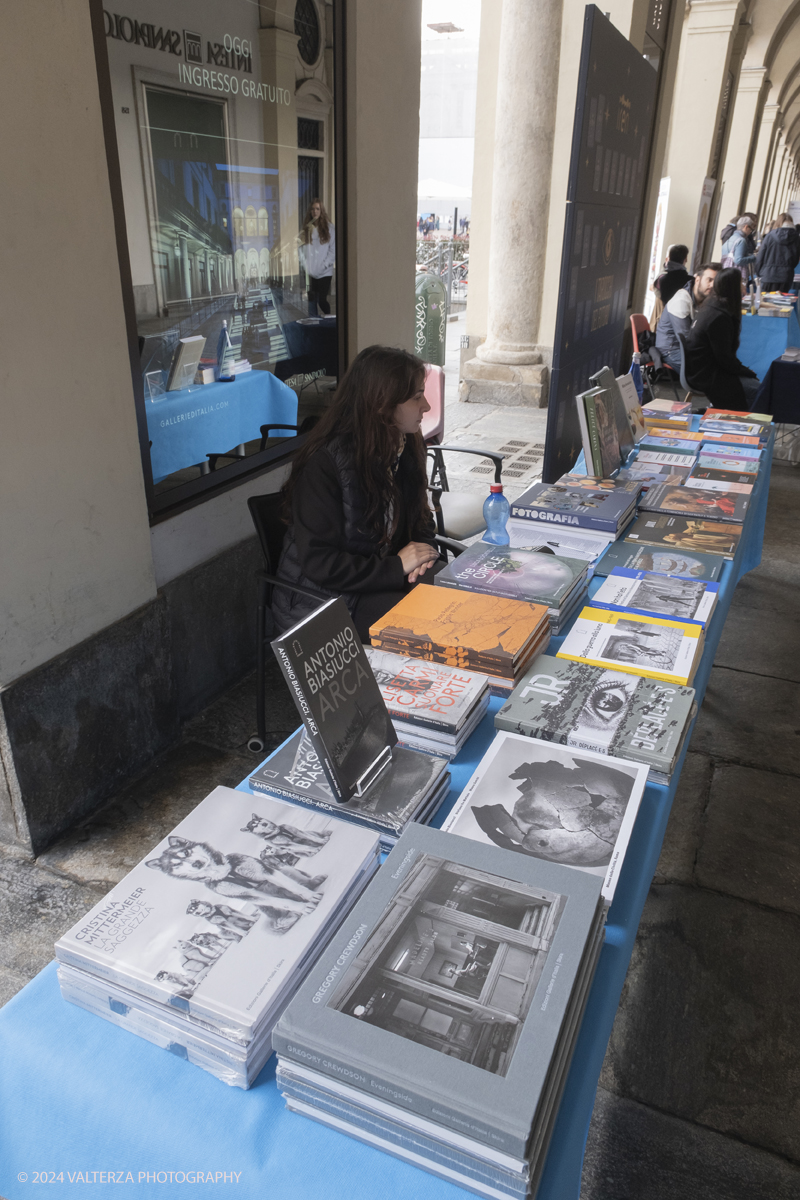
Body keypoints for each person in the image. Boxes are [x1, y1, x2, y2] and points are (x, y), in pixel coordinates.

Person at [272, 345, 440, 640]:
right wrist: (397, 566)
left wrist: (422, 558)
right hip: (322, 600)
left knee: (459, 603)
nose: (426, 406)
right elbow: (321, 564)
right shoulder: (326, 463)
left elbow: (421, 519)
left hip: (376, 581)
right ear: (382, 405)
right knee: (429, 630)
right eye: (416, 397)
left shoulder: (404, 444)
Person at [683, 266, 760, 410]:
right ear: (732, 287)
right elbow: (724, 359)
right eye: (741, 282)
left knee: (755, 385)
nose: (743, 286)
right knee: (759, 391)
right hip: (707, 374)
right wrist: (746, 372)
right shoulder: (718, 317)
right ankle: (745, 425)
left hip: (704, 369)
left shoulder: (712, 306)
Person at [655, 261, 720, 370]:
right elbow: (686, 339)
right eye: (709, 280)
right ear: (698, 280)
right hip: (671, 351)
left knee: (723, 363)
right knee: (714, 369)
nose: (712, 285)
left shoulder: (706, 300)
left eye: (716, 281)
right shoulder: (681, 300)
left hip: (688, 349)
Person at [298, 198, 335, 316]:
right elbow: (300, 249)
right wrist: (306, 266)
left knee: (322, 300)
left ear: (321, 211)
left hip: (325, 273)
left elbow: (333, 250)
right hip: (310, 273)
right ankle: (313, 325)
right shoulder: (306, 230)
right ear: (310, 211)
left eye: (317, 209)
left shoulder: (330, 229)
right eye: (313, 209)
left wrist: (324, 265)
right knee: (311, 302)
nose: (315, 211)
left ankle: (329, 321)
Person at [754, 212, 800, 292]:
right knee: (781, 302)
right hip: (786, 276)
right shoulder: (796, 238)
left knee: (766, 301)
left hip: (768, 275)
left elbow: (761, 256)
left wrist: (759, 272)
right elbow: (795, 259)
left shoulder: (770, 236)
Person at [721, 215, 756, 280]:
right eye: (751, 229)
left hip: (726, 273)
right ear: (746, 227)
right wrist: (754, 257)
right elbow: (738, 260)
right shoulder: (741, 240)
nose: (751, 231)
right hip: (737, 274)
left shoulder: (730, 239)